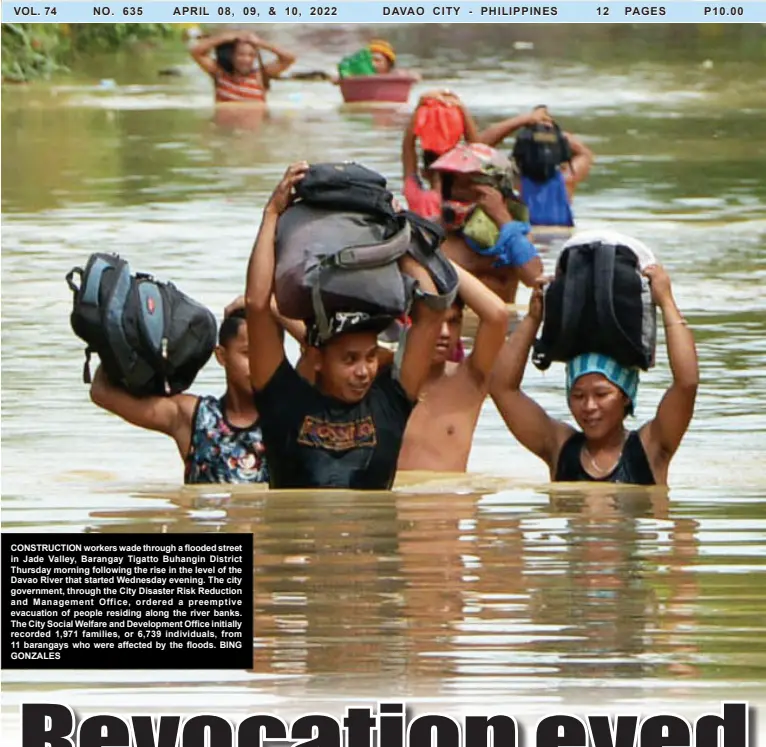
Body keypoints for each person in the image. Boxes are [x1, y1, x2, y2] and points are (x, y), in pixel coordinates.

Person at [245, 163, 450, 490]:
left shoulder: (390, 403)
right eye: (349, 359)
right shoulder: (283, 401)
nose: (364, 371)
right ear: (316, 358)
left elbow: (432, 311)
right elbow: (257, 306)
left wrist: (399, 238)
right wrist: (271, 214)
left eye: (370, 356)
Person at [489, 265, 699, 486]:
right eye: (578, 395)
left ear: (625, 395)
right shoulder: (559, 447)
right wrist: (533, 318)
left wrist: (666, 302)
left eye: (601, 394)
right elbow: (502, 389)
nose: (589, 406)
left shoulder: (651, 448)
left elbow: (687, 383)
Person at [90, 305, 269, 484]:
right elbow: (102, 392)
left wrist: (272, 308)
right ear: (221, 356)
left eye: (266, 353)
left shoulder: (286, 417)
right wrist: (119, 333)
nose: (260, 363)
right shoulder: (195, 417)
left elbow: (299, 343)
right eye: (248, 353)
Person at [397, 262, 509, 472]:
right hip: (395, 503)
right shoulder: (384, 383)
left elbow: (497, 315)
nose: (446, 333)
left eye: (454, 322)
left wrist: (434, 258)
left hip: (453, 502)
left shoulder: (469, 381)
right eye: (436, 322)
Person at [430, 142, 544, 305]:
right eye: (451, 183)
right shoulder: (431, 235)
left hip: (501, 326)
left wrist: (501, 217)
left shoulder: (514, 233)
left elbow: (534, 279)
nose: (457, 191)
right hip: (454, 326)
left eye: (468, 184)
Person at [479, 105, 594, 227]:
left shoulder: (510, 181)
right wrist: (551, 130)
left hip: (526, 241)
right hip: (560, 240)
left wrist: (524, 121)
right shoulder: (567, 179)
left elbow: (478, 145)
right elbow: (585, 153)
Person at [402, 90, 480, 222]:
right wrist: (461, 108)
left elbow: (407, 147)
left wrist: (420, 108)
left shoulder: (418, 198)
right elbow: (476, 149)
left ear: (424, 172)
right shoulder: (467, 200)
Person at [190, 29, 296, 104]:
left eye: (251, 55)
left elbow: (289, 58)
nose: (246, 59)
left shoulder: (260, 76)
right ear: (232, 56)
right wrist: (225, 38)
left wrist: (260, 43)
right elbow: (196, 52)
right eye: (241, 55)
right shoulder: (220, 74)